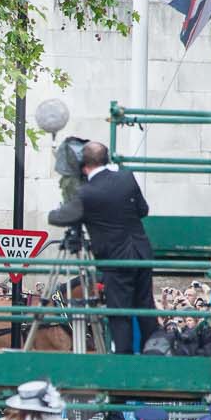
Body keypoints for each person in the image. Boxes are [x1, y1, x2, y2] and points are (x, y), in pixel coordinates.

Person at [50, 140, 154, 355]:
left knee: (119, 314)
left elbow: (59, 217)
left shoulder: (87, 193)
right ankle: (154, 352)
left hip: (116, 261)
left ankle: (122, 364)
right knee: (146, 307)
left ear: (83, 164)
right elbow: (143, 210)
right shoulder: (127, 177)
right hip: (142, 253)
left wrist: (65, 204)